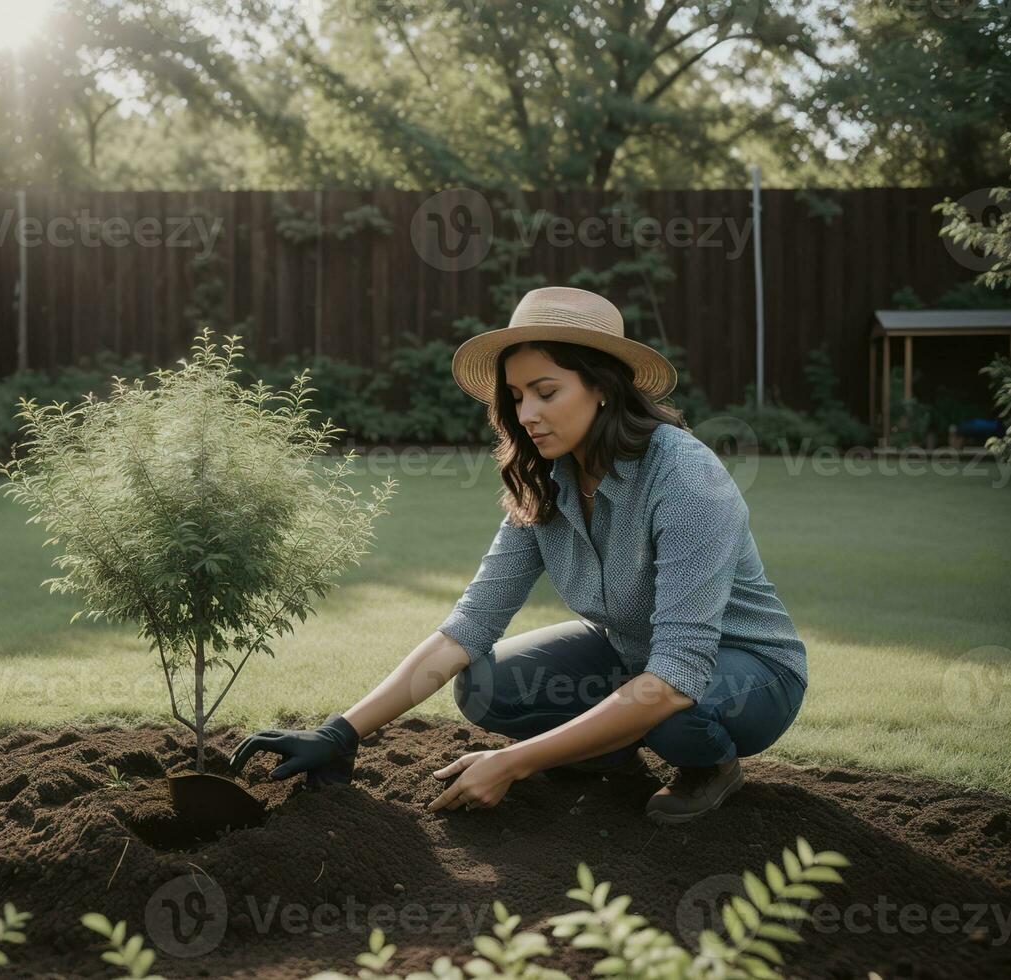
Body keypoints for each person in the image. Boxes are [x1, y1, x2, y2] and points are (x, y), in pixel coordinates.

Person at [229, 286, 808, 824]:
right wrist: (341, 733)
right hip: (634, 660)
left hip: (744, 671)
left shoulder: (685, 479)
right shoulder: (546, 481)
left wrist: (513, 762)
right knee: (485, 683)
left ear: (603, 386)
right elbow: (469, 626)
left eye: (546, 392)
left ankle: (711, 766)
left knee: (678, 715)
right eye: (516, 396)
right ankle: (610, 750)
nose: (526, 413)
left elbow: (677, 675)